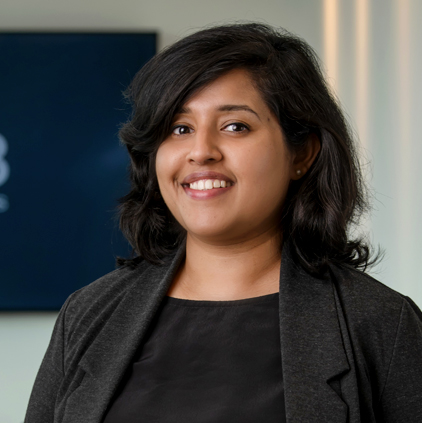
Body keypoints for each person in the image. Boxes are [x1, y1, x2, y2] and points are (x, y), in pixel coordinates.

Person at [25, 23, 422, 423]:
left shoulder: (380, 324)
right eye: (179, 128)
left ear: (302, 153)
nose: (201, 152)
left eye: (235, 126)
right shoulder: (89, 312)